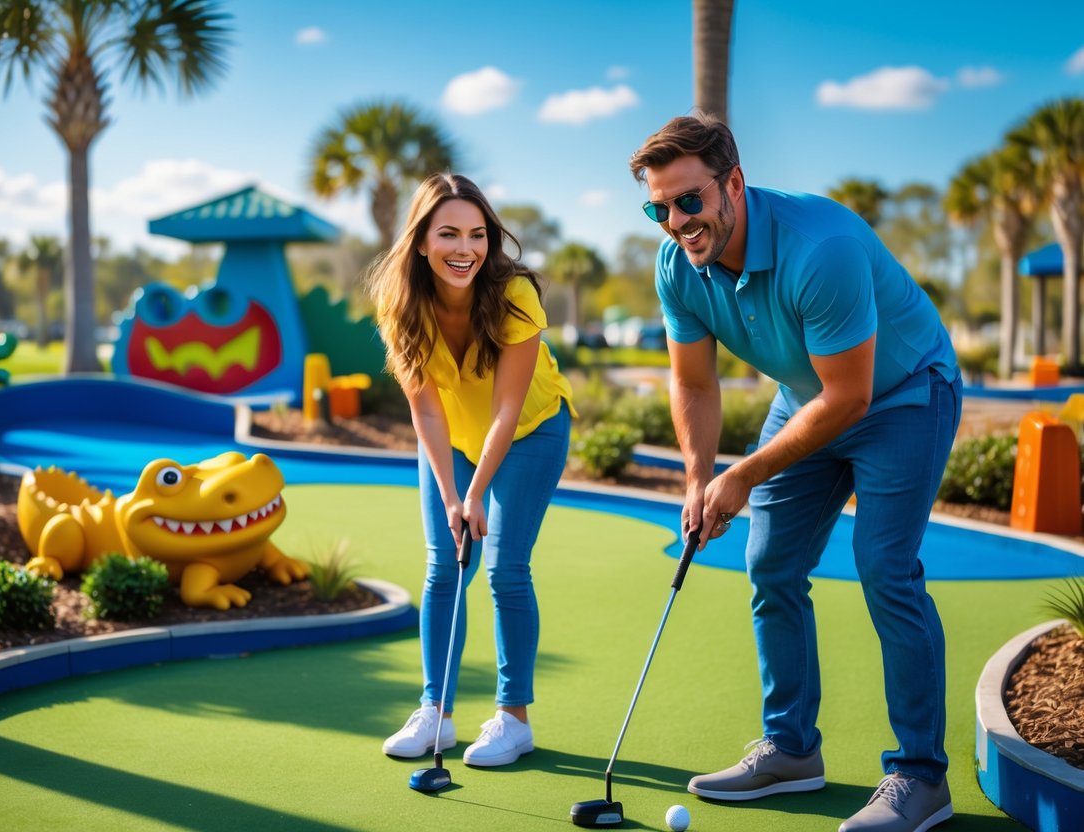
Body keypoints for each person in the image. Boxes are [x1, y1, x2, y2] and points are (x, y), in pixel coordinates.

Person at [628, 112, 960, 832]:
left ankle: (919, 777)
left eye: (689, 200)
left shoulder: (822, 248)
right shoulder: (677, 267)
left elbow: (852, 397)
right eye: (658, 208)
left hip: (904, 394)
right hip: (808, 398)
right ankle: (789, 750)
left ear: (732, 184)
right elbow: (693, 385)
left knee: (883, 567)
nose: (676, 221)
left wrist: (742, 474)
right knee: (770, 563)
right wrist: (696, 476)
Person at [368, 172, 575, 768]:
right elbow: (425, 407)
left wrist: (476, 493)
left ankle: (513, 720)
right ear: (422, 240)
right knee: (444, 567)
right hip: (452, 436)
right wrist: (451, 491)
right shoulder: (398, 301)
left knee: (505, 569)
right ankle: (437, 713)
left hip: (532, 428)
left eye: (478, 235)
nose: (466, 249)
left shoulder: (514, 294)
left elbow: (508, 408)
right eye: (449, 234)